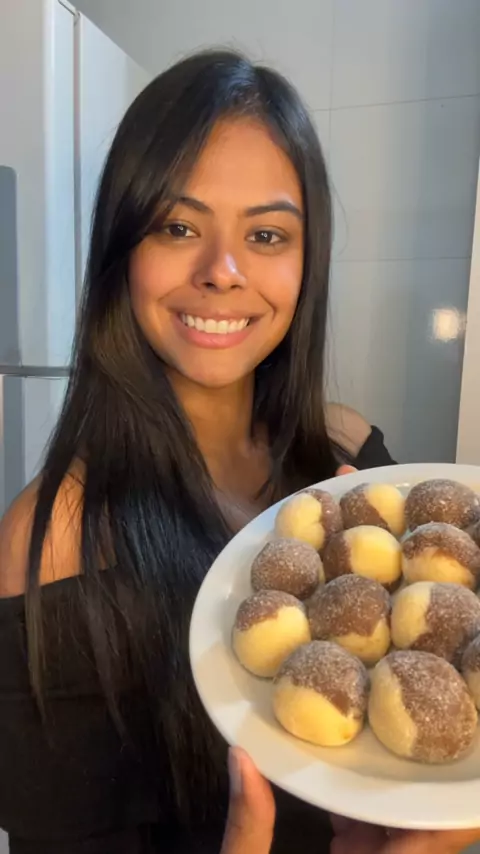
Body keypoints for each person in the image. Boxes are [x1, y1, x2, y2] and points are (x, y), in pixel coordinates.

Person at [0, 48, 476, 854]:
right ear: (122, 250)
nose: (222, 272)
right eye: (178, 227)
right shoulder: (52, 541)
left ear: (306, 262)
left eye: (266, 234)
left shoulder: (347, 451)